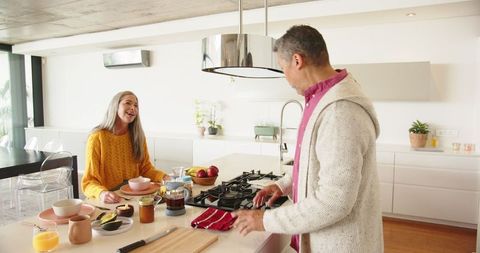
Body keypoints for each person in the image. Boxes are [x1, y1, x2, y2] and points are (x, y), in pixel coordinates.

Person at [232, 25, 383, 252]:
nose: (286, 78)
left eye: (283, 68)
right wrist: (284, 185)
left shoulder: (340, 112)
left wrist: (264, 220)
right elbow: (316, 163)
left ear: (297, 60)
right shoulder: (322, 98)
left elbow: (334, 201)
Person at [81, 91, 168, 203]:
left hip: (133, 198)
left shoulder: (138, 136)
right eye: (128, 103)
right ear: (115, 107)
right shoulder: (97, 138)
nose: (133, 108)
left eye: (136, 105)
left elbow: (145, 169)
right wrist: (102, 193)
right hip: (108, 200)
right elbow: (89, 182)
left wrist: (164, 177)